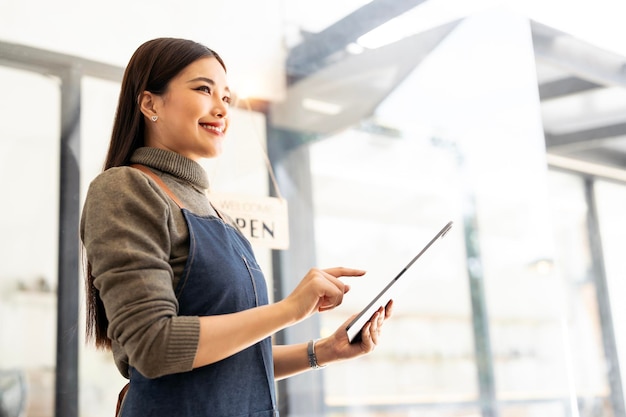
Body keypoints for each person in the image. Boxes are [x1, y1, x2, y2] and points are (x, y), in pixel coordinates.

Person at [80, 37, 392, 417]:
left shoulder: (213, 211)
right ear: (150, 103)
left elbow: (233, 364)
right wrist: (291, 309)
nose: (221, 108)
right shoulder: (125, 189)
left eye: (226, 98)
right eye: (203, 89)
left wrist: (324, 351)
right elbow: (154, 346)